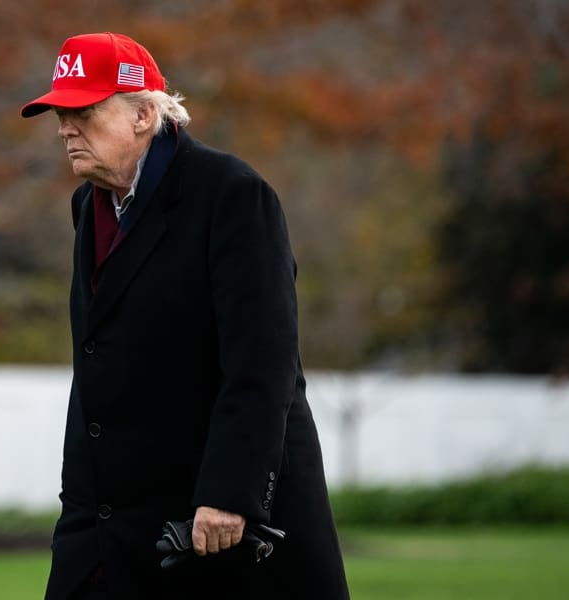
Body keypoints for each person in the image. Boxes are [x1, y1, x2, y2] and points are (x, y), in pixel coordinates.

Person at [21, 32, 349, 600]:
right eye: (60, 114)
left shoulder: (233, 195)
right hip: (106, 529)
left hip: (217, 527)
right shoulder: (89, 206)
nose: (65, 128)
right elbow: (98, 363)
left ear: (144, 114)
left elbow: (262, 363)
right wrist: (79, 510)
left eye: (83, 112)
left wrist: (229, 493)